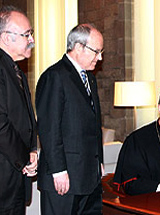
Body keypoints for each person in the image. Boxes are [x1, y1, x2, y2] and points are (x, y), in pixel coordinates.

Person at [36, 24, 104, 215]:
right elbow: (49, 129)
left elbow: (93, 125)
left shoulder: (90, 79)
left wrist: (98, 161)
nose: (100, 58)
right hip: (63, 179)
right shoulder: (54, 76)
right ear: (79, 47)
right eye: (96, 51)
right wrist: (58, 171)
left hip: (89, 177)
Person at [0, 5, 37, 215]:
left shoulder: (18, 71)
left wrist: (32, 151)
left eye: (31, 33)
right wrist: (24, 158)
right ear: (6, 38)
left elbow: (26, 121)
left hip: (15, 178)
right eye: (26, 34)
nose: (31, 40)